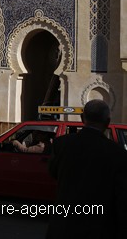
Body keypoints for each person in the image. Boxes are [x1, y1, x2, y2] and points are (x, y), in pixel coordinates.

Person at [46, 100, 127, 238]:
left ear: (82, 118)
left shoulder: (62, 144)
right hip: (98, 229)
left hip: (63, 227)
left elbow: (53, 173)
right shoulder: (118, 154)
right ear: (107, 122)